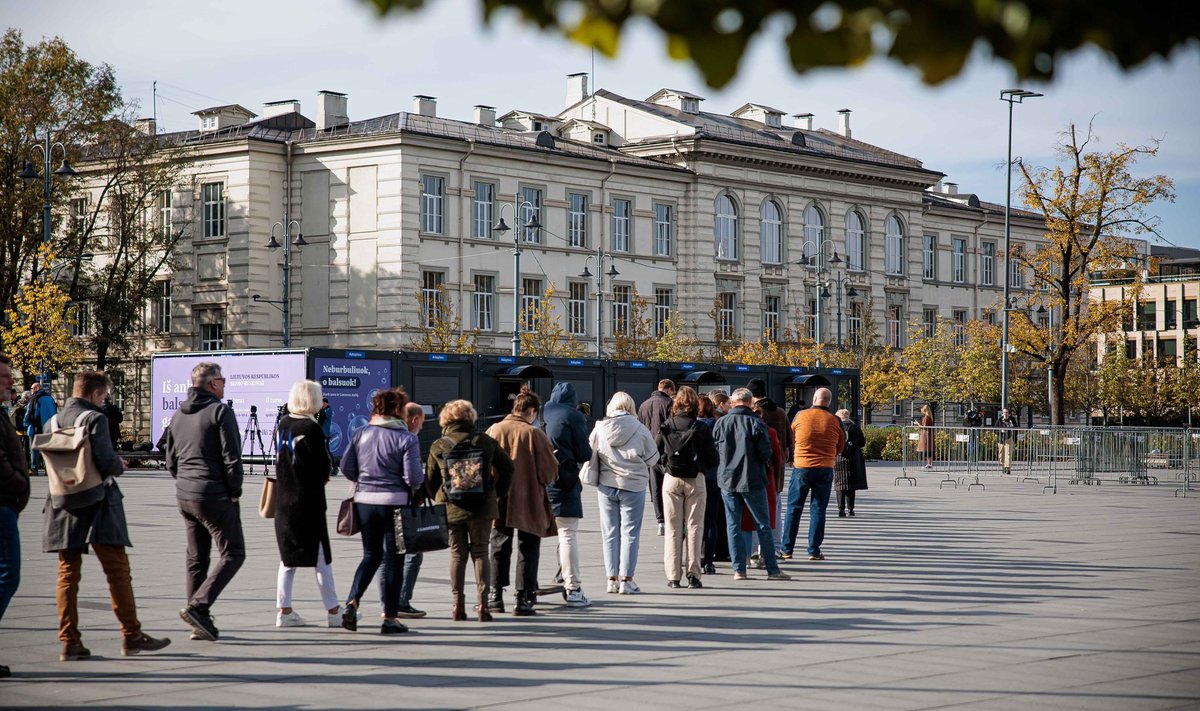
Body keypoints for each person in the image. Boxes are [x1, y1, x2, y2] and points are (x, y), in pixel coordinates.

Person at [43, 371, 171, 661]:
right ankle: (131, 634)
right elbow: (106, 462)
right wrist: (119, 463)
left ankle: (70, 641)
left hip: (62, 500)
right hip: (97, 501)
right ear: (92, 393)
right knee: (117, 571)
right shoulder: (95, 419)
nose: (104, 402)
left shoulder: (52, 421)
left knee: (67, 574)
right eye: (103, 397)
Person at [166, 362, 246, 642]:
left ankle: (198, 620)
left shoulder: (178, 414)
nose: (224, 385)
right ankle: (199, 606)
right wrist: (234, 490)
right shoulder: (220, 412)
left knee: (196, 557)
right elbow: (232, 457)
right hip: (213, 493)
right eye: (222, 380)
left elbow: (170, 461)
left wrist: (185, 481)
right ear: (212, 383)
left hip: (185, 494)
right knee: (234, 553)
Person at [339, 388, 422, 634]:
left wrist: (364, 481)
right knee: (394, 559)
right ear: (398, 410)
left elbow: (346, 466)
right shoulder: (407, 438)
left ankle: (352, 601)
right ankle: (390, 617)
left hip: (364, 502)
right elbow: (413, 477)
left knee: (370, 555)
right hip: (394, 503)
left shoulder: (360, 433)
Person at [424, 399, 514, 622]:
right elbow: (508, 467)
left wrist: (438, 495)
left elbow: (429, 479)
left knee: (457, 554)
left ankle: (458, 605)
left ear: (446, 419)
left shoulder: (439, 444)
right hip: (482, 506)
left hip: (451, 507)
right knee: (481, 552)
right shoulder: (485, 441)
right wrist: (497, 491)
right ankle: (483, 606)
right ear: (471, 417)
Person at [273, 380, 342, 629]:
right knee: (321, 558)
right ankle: (334, 611)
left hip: (284, 501)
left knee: (287, 559)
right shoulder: (312, 430)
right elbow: (324, 468)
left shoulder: (284, 425)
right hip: (308, 502)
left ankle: (284, 609)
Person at [486, 386, 558, 616]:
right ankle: (523, 598)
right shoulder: (534, 434)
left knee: (498, 545)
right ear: (533, 411)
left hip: (498, 498)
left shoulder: (494, 430)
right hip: (528, 499)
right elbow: (549, 473)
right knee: (528, 547)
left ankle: (495, 596)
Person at [712, 388, 790, 581]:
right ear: (749, 402)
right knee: (763, 524)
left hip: (728, 480)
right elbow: (766, 452)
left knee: (733, 525)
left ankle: (739, 569)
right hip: (753, 479)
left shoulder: (721, 422)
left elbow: (715, 449)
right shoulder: (756, 423)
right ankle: (772, 569)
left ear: (732, 402)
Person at [591, 392, 659, 594]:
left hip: (606, 484)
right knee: (630, 533)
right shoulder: (640, 428)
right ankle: (627, 580)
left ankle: (611, 579)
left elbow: (591, 451)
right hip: (633, 485)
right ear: (631, 406)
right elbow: (653, 458)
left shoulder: (599, 428)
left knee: (609, 533)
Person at [656, 386, 718, 589]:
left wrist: (665, 467)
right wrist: (701, 467)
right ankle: (694, 574)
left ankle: (673, 576)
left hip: (671, 479)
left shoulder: (667, 425)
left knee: (673, 528)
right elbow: (713, 458)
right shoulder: (701, 428)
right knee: (695, 526)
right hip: (695, 479)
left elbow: (654, 453)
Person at [542, 382, 594, 607]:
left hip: (542, 481)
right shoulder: (574, 416)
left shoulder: (544, 410)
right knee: (568, 533)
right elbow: (584, 452)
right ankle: (572, 588)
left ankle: (524, 589)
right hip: (565, 480)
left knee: (534, 535)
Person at [781, 387, 845, 561]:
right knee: (818, 509)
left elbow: (791, 437)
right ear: (829, 402)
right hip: (825, 467)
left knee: (794, 508)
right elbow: (841, 445)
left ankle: (787, 549)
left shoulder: (801, 416)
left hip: (802, 466)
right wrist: (830, 455)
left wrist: (794, 455)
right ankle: (813, 550)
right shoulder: (835, 420)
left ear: (814, 398)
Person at [0, 354, 30, 678]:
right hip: (3, 506)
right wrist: (19, 482)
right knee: (8, 576)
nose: (9, 383)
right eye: (3, 377)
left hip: (7, 505)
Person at [393, 401, 428, 619]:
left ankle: (387, 601)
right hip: (404, 502)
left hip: (375, 501)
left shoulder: (377, 434)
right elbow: (414, 477)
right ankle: (402, 601)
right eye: (421, 423)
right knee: (413, 552)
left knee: (385, 554)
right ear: (414, 420)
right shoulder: (409, 439)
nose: (422, 427)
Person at [637, 379, 675, 537]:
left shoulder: (644, 405)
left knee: (655, 486)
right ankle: (670, 517)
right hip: (666, 450)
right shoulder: (668, 404)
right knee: (669, 486)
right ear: (668, 389)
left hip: (649, 451)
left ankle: (660, 521)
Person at [697, 394, 724, 575]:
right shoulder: (718, 425)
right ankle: (709, 560)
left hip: (694, 475)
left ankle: (693, 556)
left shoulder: (693, 425)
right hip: (714, 477)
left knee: (692, 520)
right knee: (711, 520)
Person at [834, 409, 868, 517]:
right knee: (851, 486)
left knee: (840, 485)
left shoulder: (837, 427)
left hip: (839, 459)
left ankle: (841, 509)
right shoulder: (855, 428)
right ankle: (851, 509)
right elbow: (862, 442)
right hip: (853, 460)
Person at [24, 382, 57, 471]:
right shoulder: (50, 398)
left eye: (32, 388)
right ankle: (48, 468)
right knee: (47, 448)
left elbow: (29, 413)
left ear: (37, 388)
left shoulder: (35, 398)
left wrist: (25, 423)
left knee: (34, 449)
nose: (31, 390)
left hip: (36, 427)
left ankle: (34, 468)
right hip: (49, 427)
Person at [11, 392, 30, 472]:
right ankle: (27, 466)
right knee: (26, 449)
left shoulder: (15, 405)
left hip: (17, 431)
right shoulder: (27, 406)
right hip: (26, 430)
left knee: (18, 449)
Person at [997, 407, 1019, 475]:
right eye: (1004, 412)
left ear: (1008, 413)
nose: (1005, 414)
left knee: (1008, 453)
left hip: (1009, 438)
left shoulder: (1012, 419)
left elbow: (1016, 429)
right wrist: (1000, 431)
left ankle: (1008, 468)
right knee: (1001, 455)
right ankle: (1003, 465)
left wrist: (1015, 438)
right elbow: (995, 429)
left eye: (1007, 412)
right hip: (1001, 439)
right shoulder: (1000, 420)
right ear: (1002, 413)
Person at [916, 404, 934, 468]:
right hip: (928, 434)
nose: (921, 411)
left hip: (926, 434)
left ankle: (929, 463)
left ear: (925, 410)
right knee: (928, 449)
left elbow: (924, 427)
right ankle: (929, 463)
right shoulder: (929, 416)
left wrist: (918, 424)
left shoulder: (926, 417)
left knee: (927, 448)